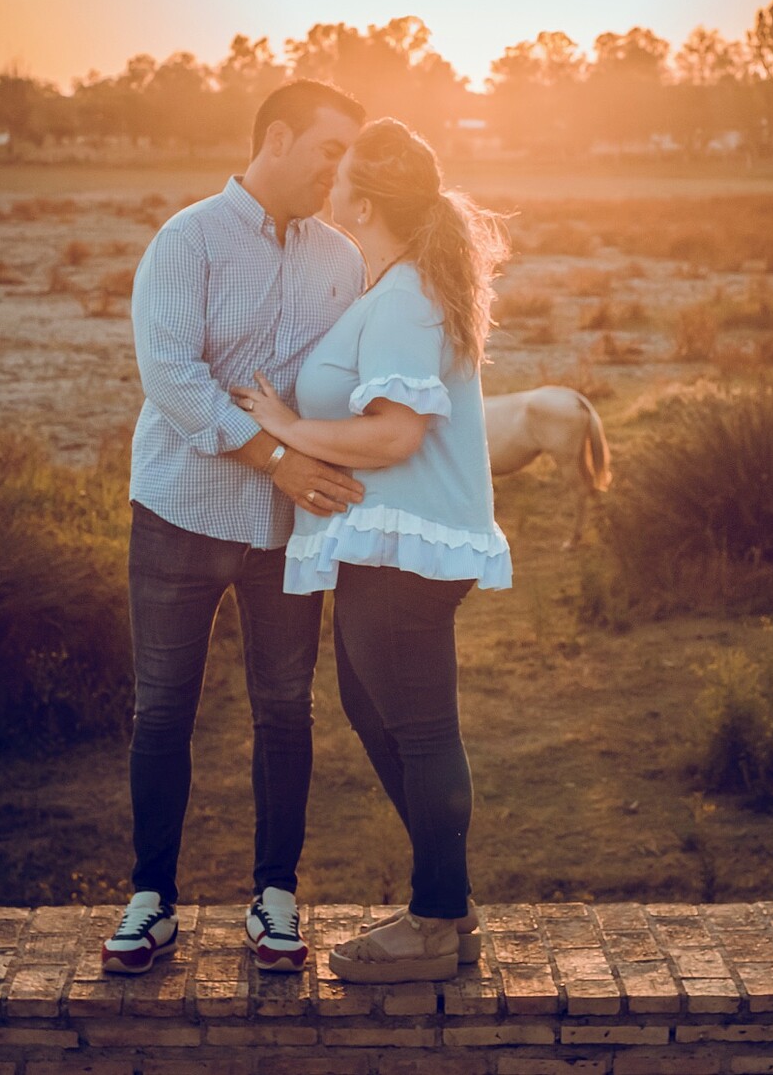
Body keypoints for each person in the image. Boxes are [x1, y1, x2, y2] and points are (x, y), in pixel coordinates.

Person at [234, 117, 511, 983]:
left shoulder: (403, 298)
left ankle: (436, 919)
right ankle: (449, 901)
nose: (329, 180)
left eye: (341, 170)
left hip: (405, 549)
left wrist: (284, 425)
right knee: (372, 704)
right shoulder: (395, 283)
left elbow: (394, 436)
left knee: (421, 727)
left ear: (363, 198)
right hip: (388, 545)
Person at [102, 80, 368, 977]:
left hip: (289, 534)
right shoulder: (187, 240)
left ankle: (276, 896)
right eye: (329, 150)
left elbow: (348, 378)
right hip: (179, 513)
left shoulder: (341, 258)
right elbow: (171, 377)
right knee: (164, 708)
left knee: (285, 710)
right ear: (280, 138)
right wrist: (278, 459)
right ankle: (151, 900)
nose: (340, 170)